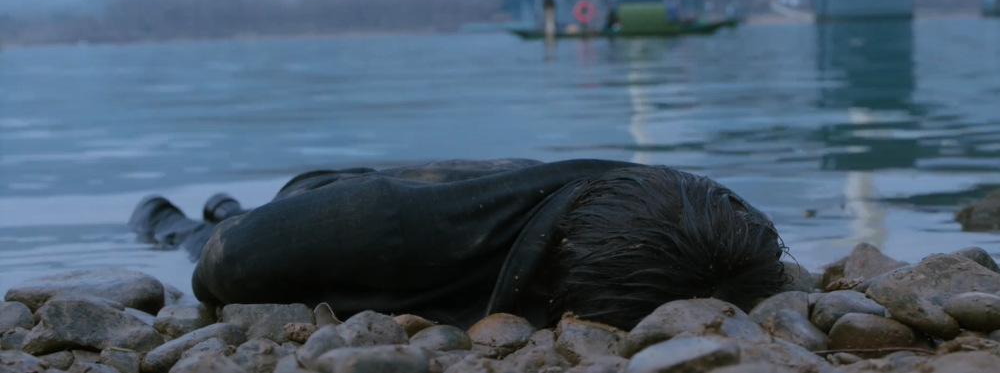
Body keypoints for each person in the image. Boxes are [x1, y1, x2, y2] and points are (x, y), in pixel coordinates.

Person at [129, 159, 787, 330]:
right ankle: (160, 215)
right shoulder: (372, 219)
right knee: (203, 231)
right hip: (333, 194)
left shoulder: (724, 220)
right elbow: (222, 269)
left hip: (497, 188)